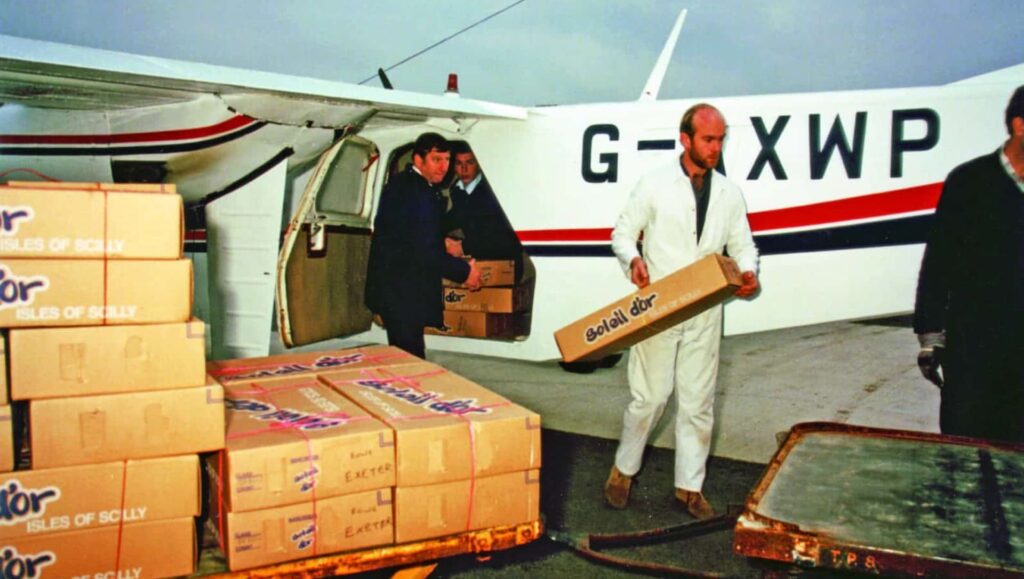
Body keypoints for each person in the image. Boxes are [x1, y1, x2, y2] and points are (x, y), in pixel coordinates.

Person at [604, 103, 759, 519]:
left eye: (721, 139)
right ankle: (623, 471)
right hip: (660, 307)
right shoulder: (655, 184)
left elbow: (742, 243)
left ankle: (689, 488)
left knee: (697, 403)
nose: (716, 147)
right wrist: (633, 260)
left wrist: (748, 271)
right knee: (650, 398)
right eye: (709, 139)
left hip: (705, 310)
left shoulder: (729, 193)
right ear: (685, 139)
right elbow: (623, 233)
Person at [913, 85, 1024, 442]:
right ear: (1020, 126)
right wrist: (930, 336)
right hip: (974, 347)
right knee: (965, 445)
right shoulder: (970, 181)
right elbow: (939, 260)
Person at [365, 132, 482, 358]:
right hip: (401, 292)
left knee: (408, 356)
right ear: (418, 160)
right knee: (410, 359)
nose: (444, 167)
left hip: (401, 290)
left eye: (447, 160)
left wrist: (442, 241)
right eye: (436, 160)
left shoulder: (414, 186)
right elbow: (424, 250)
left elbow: (413, 236)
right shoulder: (414, 192)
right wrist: (464, 272)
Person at [444, 142, 524, 277]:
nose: (464, 169)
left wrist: (462, 247)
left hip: (505, 264)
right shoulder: (458, 190)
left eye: (469, 162)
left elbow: (502, 237)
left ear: (479, 163)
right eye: (458, 163)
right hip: (481, 260)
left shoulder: (493, 190)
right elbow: (455, 217)